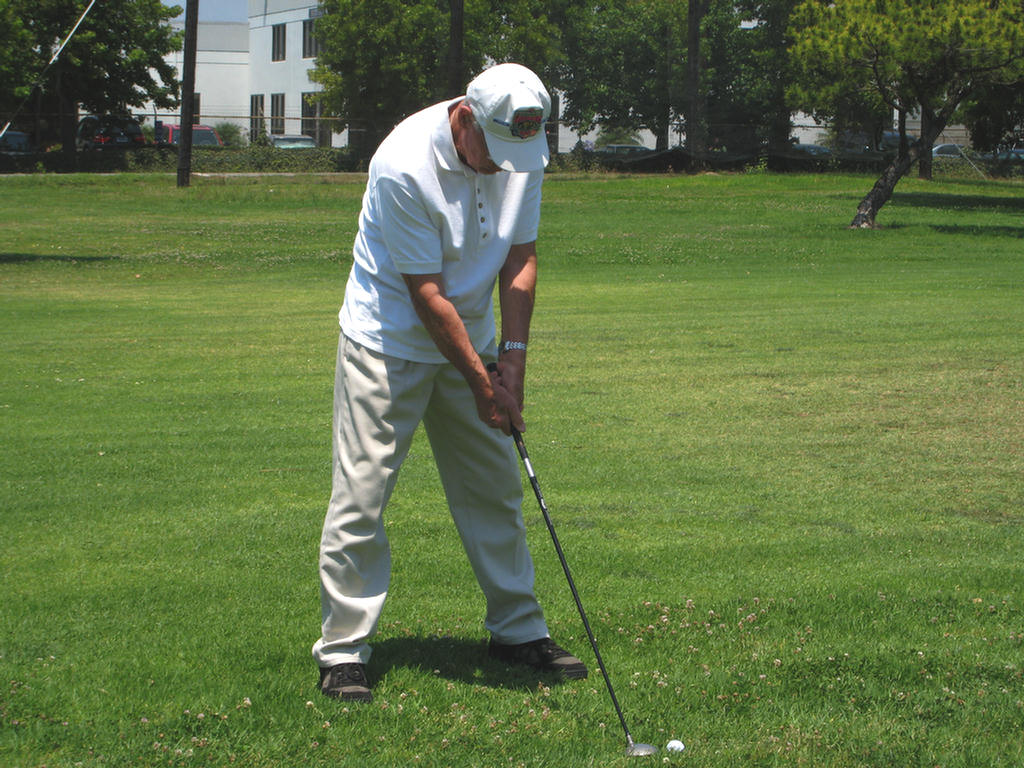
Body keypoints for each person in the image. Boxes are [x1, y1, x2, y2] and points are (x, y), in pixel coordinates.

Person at [312, 63, 587, 702]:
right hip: (388, 342)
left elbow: (520, 258)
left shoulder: (524, 151)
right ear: (465, 117)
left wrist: (512, 362)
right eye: (493, 150)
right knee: (362, 497)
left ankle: (518, 631)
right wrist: (483, 383)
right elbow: (426, 293)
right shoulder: (402, 163)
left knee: (494, 488)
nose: (503, 167)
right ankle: (344, 650)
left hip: (475, 337)